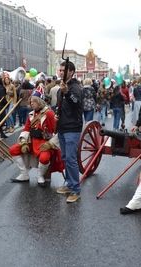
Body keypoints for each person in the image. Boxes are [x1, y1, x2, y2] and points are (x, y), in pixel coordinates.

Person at [9, 90, 63, 186]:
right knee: (13, 150)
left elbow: (57, 131)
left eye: (33, 101)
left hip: (44, 143)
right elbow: (26, 130)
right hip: (31, 142)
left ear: (40, 101)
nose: (31, 103)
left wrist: (50, 144)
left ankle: (40, 176)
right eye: (31, 102)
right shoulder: (31, 114)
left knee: (44, 158)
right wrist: (24, 143)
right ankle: (24, 174)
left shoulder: (49, 113)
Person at [55, 61, 83, 203]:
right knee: (65, 158)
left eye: (63, 70)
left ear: (71, 72)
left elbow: (76, 102)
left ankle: (75, 190)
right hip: (62, 127)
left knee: (71, 159)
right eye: (59, 69)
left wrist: (67, 93)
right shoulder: (61, 87)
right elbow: (60, 106)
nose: (60, 72)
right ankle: (70, 184)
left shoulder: (75, 87)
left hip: (72, 128)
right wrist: (56, 113)